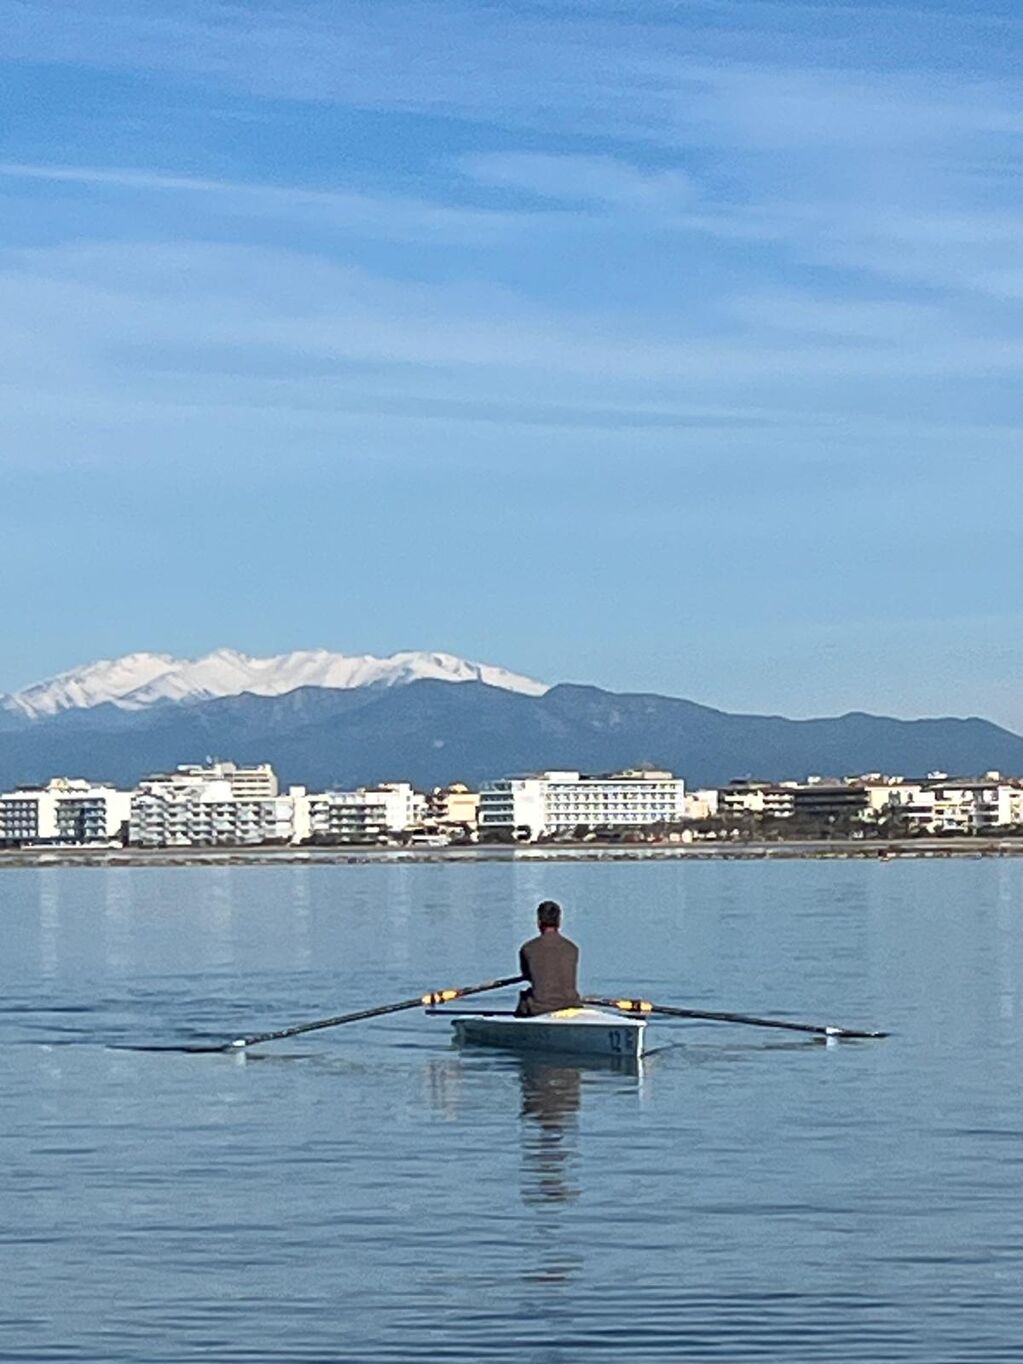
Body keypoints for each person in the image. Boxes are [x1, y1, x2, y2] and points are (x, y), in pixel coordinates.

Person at [516, 900, 582, 1017]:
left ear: (538, 922)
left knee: (525, 997)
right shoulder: (572, 948)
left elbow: (528, 977)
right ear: (559, 922)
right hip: (572, 1005)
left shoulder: (527, 949)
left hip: (540, 1008)